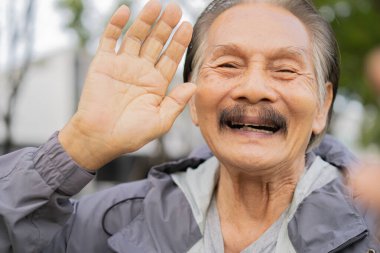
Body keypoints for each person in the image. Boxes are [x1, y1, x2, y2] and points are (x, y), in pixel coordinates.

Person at [0, 0, 379, 252]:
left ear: (323, 105)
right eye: (228, 65)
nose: (253, 89)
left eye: (284, 70)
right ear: (193, 100)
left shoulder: (370, 222)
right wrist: (78, 145)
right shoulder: (117, 220)